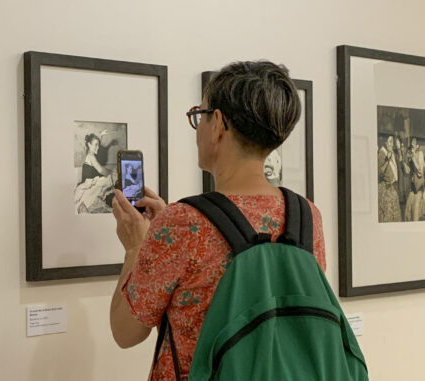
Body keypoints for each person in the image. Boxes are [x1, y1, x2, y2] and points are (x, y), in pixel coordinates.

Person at [109, 61, 326, 381]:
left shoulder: (182, 224)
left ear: (219, 123)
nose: (197, 128)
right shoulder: (307, 214)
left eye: (200, 115)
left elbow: (126, 332)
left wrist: (134, 248)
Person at [378, 135, 401, 222]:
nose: (392, 144)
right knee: (388, 217)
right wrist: (387, 160)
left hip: (393, 188)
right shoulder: (382, 154)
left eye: (392, 142)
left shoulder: (392, 153)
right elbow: (379, 173)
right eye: (390, 142)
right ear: (385, 143)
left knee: (396, 216)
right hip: (386, 190)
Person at [405, 137, 424, 221]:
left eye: (414, 142)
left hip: (419, 189)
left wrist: (413, 158)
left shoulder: (420, 153)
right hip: (412, 189)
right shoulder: (412, 154)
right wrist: (405, 162)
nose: (412, 144)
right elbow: (407, 172)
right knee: (407, 214)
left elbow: (420, 172)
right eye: (411, 143)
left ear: (417, 145)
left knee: (415, 217)